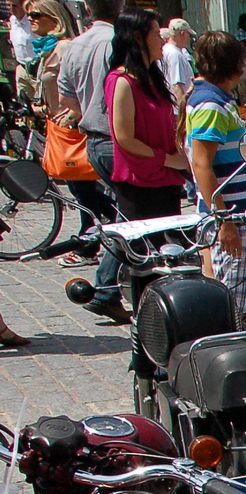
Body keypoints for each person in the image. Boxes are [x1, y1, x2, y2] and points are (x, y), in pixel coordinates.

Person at [186, 32, 246, 313]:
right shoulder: (211, 105)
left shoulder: (221, 100)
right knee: (232, 306)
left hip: (239, 213)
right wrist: (224, 222)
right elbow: (201, 164)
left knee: (227, 297)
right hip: (232, 215)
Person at [55, 0, 127, 322]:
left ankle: (112, 286)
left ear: (86, 6)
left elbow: (65, 98)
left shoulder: (75, 45)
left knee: (125, 213)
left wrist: (88, 109)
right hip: (120, 140)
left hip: (93, 141)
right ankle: (108, 288)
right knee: (136, 215)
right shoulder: (120, 40)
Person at [106, 7, 184, 222]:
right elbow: (124, 138)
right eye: (157, 34)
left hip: (166, 179)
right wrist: (168, 160)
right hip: (140, 181)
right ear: (138, 37)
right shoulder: (122, 81)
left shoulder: (152, 78)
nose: (162, 40)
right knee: (140, 250)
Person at [16, 0, 73, 118]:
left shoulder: (64, 47)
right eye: (28, 15)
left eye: (36, 15)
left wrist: (70, 118)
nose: (30, 19)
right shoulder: (46, 51)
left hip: (69, 129)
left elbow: (82, 89)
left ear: (55, 20)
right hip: (53, 124)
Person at [160, 17, 192, 105]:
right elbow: (177, 86)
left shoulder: (165, 50)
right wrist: (183, 111)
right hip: (177, 110)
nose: (189, 39)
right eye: (189, 35)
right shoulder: (175, 54)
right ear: (182, 34)